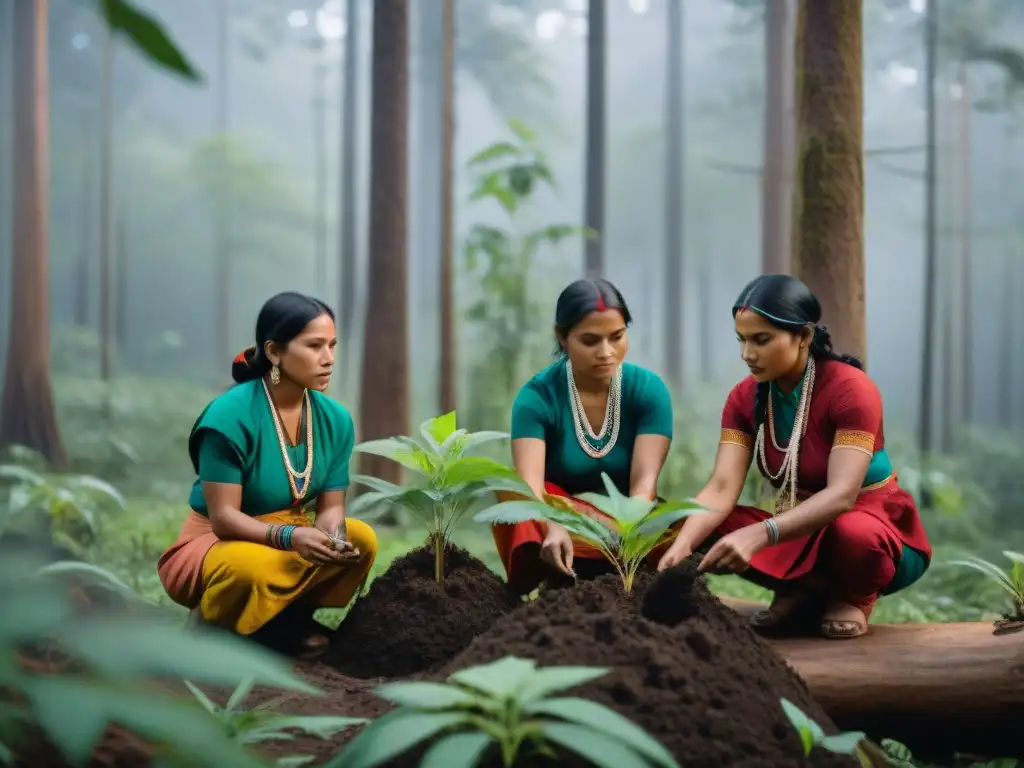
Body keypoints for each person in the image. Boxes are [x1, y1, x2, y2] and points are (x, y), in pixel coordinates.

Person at [657, 274, 932, 639]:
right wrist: (682, 545)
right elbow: (721, 488)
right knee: (697, 521)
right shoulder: (744, 397)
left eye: (761, 340)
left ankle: (853, 596)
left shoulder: (851, 389)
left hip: (871, 530)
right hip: (797, 528)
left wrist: (760, 534)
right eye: (742, 340)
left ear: (803, 336)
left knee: (853, 534)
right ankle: (804, 589)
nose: (747, 354)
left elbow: (842, 496)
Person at [157, 292, 378, 658]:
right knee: (252, 569)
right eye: (315, 346)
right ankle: (214, 627)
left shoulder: (335, 420)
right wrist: (292, 537)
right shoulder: (229, 416)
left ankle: (288, 622)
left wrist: (332, 537)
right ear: (274, 352)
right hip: (217, 541)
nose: (329, 359)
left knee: (362, 540)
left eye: (333, 345)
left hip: (290, 534)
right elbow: (224, 520)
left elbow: (331, 507)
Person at [492, 278, 675, 594]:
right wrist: (552, 522)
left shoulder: (648, 391)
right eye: (590, 341)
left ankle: (627, 579)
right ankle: (552, 577)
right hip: (555, 520)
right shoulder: (537, 397)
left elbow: (644, 486)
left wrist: (624, 534)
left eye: (617, 337)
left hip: (624, 524)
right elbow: (530, 486)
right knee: (512, 493)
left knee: (681, 525)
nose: (606, 352)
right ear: (562, 337)